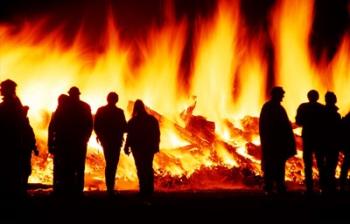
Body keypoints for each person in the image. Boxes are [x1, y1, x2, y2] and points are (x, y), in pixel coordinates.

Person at [48, 87, 93, 196]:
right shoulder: (84, 106)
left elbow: (52, 126)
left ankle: (67, 190)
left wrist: (51, 142)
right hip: (77, 142)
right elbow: (90, 125)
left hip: (65, 142)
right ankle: (78, 190)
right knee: (79, 166)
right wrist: (85, 138)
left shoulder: (63, 107)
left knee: (67, 166)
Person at [0, 79, 36, 197]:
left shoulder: (9, 106)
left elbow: (21, 125)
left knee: (13, 171)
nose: (1, 90)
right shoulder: (14, 104)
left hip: (12, 145)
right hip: (15, 144)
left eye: (2, 88)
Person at [259, 86, 296, 194]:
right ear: (276, 95)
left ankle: (279, 185)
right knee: (271, 165)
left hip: (280, 143)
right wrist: (266, 140)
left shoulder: (279, 108)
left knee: (279, 165)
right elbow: (264, 125)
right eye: (281, 94)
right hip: (272, 142)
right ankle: (269, 186)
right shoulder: (269, 107)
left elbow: (285, 126)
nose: (283, 96)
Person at [124, 99, 160, 198]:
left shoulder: (133, 121)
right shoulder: (152, 120)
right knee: (148, 167)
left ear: (135, 109)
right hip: (148, 148)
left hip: (138, 148)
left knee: (140, 168)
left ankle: (143, 189)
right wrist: (156, 146)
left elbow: (129, 135)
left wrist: (126, 146)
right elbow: (157, 134)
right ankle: (149, 190)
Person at [94, 92, 127, 196]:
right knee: (113, 163)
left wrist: (101, 136)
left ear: (107, 99)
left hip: (106, 141)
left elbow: (96, 126)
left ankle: (110, 188)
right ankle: (110, 188)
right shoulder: (119, 112)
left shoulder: (101, 110)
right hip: (116, 142)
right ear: (116, 100)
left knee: (109, 163)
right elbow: (124, 127)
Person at [295, 90, 325, 193]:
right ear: (317, 97)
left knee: (308, 163)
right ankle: (323, 186)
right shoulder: (322, 108)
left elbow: (298, 121)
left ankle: (309, 188)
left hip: (308, 137)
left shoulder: (303, 107)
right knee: (321, 163)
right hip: (319, 138)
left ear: (308, 97)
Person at [322, 91, 341, 193]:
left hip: (325, 143)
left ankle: (326, 185)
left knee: (326, 165)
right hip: (332, 143)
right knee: (331, 165)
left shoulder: (321, 113)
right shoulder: (335, 115)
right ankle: (330, 186)